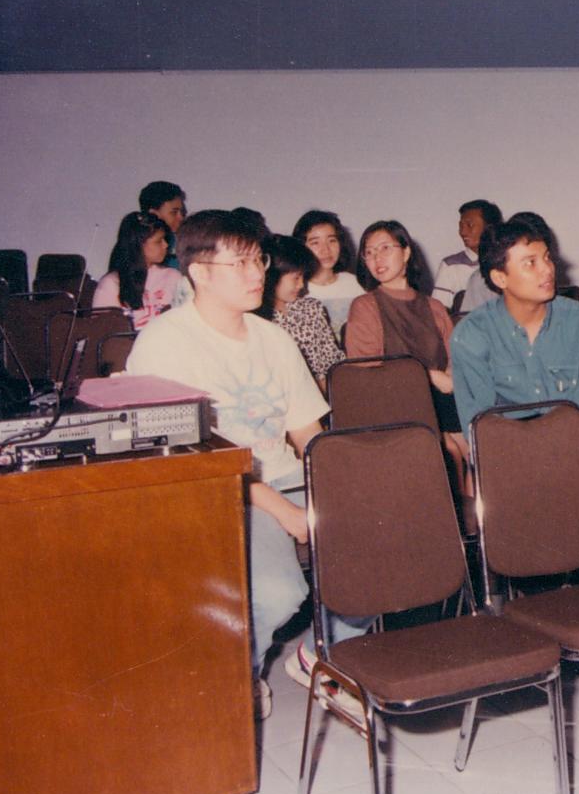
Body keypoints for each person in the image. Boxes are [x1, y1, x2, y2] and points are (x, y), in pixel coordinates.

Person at [125, 210, 366, 719]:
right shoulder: (164, 344)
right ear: (200, 272)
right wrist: (284, 510)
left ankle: (318, 657)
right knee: (278, 593)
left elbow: (306, 432)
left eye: (259, 260)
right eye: (241, 263)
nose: (258, 273)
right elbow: (196, 459)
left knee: (389, 549)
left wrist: (339, 488)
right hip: (217, 490)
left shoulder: (273, 338)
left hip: (285, 475)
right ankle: (236, 675)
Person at [452, 217, 579, 445]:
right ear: (500, 278)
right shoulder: (471, 335)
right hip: (510, 455)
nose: (547, 269)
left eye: (547, 257)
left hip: (578, 452)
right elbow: (481, 426)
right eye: (530, 263)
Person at [346, 219, 470, 481]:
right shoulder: (365, 306)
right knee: (449, 450)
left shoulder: (434, 307)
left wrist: (449, 376)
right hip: (393, 406)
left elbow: (455, 361)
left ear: (406, 252)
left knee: (476, 448)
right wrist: (429, 375)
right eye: (369, 252)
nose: (376, 258)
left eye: (384, 248)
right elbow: (365, 373)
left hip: (441, 403)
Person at [259, 234, 344, 385]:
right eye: (296, 278)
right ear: (273, 276)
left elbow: (334, 361)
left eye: (303, 277)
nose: (301, 285)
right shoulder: (258, 319)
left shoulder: (312, 308)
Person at [91, 211, 185, 330]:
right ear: (138, 245)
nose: (166, 245)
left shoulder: (173, 276)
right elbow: (100, 330)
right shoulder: (111, 283)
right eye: (159, 241)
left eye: (165, 239)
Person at [293, 209, 363, 339]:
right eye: (315, 242)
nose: (325, 249)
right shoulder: (296, 289)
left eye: (332, 240)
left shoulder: (355, 284)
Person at [432, 199, 502, 315]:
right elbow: (438, 314)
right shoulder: (450, 266)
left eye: (470, 225)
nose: (463, 232)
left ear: (489, 227)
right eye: (461, 226)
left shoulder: (505, 262)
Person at [138, 180, 186, 270]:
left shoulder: (184, 241)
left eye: (181, 212)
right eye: (174, 212)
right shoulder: (138, 247)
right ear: (153, 214)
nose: (181, 218)